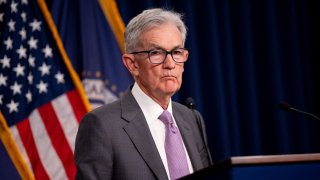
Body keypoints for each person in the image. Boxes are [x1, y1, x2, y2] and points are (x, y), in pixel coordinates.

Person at [74, 8, 212, 180]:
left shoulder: (192, 119)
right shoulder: (102, 126)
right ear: (132, 64)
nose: (170, 64)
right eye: (156, 53)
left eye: (176, 52)